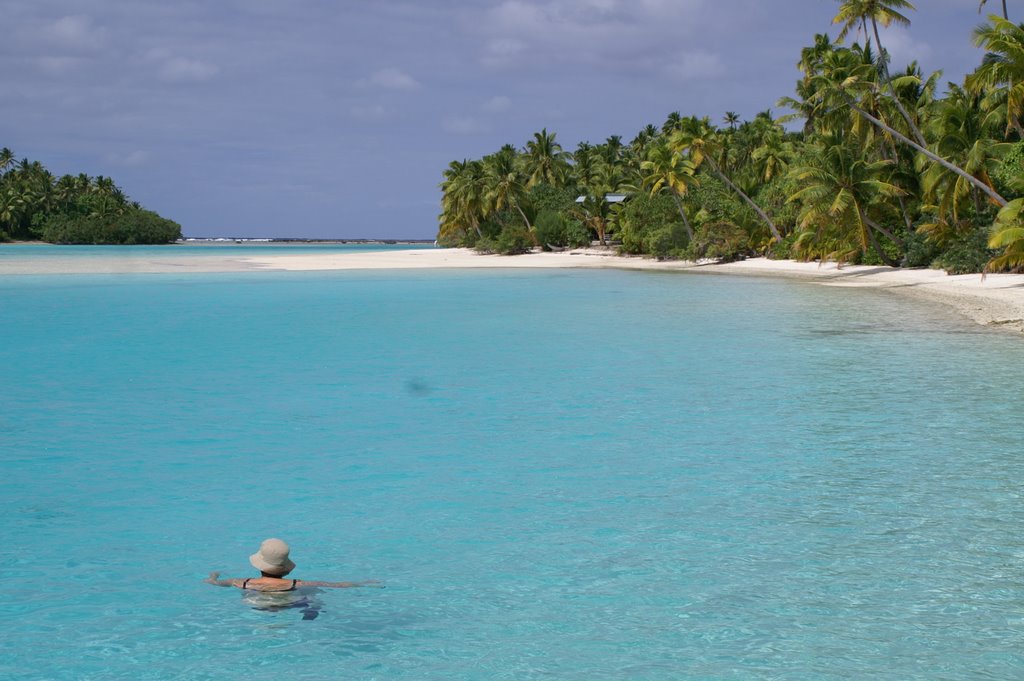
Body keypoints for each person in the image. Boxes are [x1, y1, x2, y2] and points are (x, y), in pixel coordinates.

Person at [205, 538, 381, 619]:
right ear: (285, 568)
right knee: (313, 597)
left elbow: (215, 583)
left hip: (257, 604)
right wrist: (364, 583)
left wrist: (213, 575)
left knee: (255, 599)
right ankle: (310, 611)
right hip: (289, 603)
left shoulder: (240, 582)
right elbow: (337, 585)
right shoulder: (297, 583)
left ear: (259, 565)